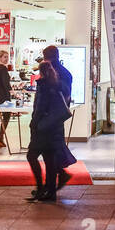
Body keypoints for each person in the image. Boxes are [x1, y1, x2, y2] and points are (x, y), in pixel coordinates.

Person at [26, 60, 70, 202]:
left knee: (32, 156)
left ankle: (40, 187)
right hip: (54, 127)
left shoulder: (43, 85)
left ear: (40, 72)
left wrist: (33, 123)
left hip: (43, 129)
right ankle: (51, 192)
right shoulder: (58, 83)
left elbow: (40, 107)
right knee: (50, 159)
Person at [41, 45, 78, 189]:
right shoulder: (65, 72)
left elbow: (50, 94)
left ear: (46, 57)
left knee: (49, 149)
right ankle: (56, 178)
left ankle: (55, 179)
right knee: (54, 146)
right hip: (59, 114)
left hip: (50, 115)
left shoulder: (51, 72)